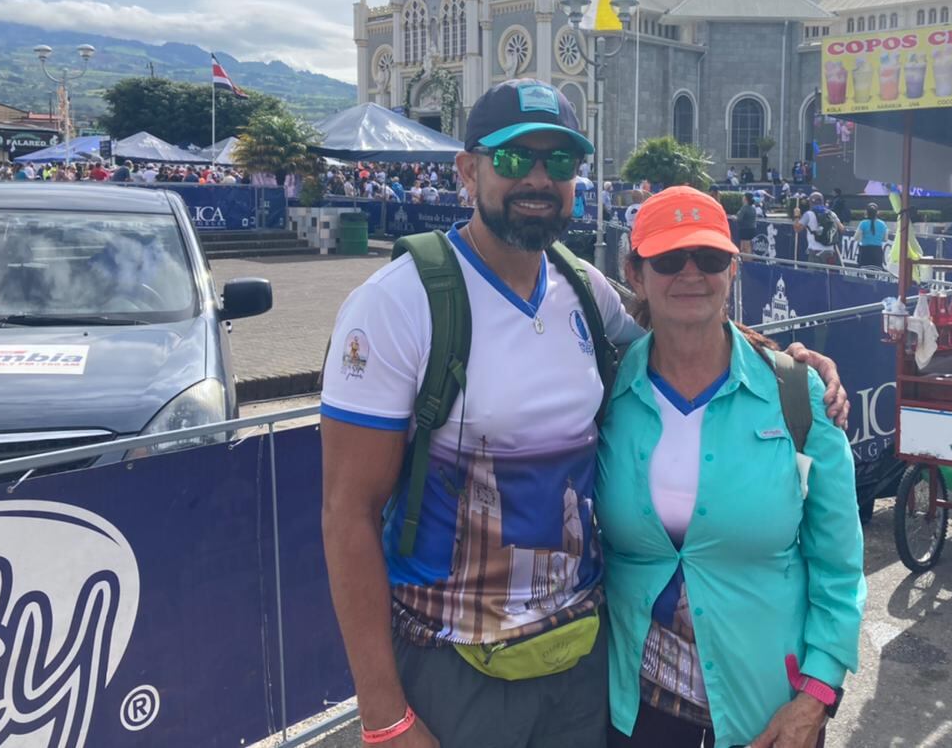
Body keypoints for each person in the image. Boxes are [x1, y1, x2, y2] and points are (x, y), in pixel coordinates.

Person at [320, 79, 851, 748]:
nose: (539, 178)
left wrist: (787, 361)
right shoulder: (396, 304)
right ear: (467, 171)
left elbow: (687, 334)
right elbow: (347, 514)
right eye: (514, 159)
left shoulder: (580, 288)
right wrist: (383, 713)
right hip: (455, 662)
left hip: (580, 667)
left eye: (561, 162)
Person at [599, 186, 865, 748]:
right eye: (669, 260)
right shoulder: (606, 393)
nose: (691, 274)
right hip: (636, 710)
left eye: (710, 258)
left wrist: (816, 698)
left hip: (767, 715)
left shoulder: (795, 392)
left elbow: (839, 567)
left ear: (734, 269)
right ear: (635, 272)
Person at [800, 191, 843, 267]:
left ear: (811, 202)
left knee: (813, 277)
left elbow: (797, 229)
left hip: (814, 252)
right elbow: (842, 229)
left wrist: (796, 216)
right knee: (829, 277)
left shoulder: (808, 214)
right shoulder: (831, 213)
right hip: (830, 252)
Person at [854, 202, 889, 269]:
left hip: (865, 251)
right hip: (877, 251)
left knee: (863, 272)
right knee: (877, 272)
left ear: (866, 212)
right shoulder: (883, 224)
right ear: (877, 212)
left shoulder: (863, 223)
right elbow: (885, 239)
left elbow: (855, 238)